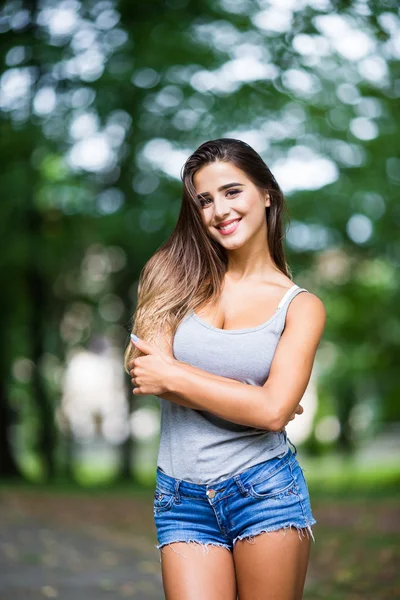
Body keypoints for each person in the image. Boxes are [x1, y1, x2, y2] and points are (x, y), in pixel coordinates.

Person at [124, 138, 326, 599]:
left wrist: (180, 376)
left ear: (266, 194)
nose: (219, 210)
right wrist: (249, 398)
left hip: (265, 490)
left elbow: (273, 413)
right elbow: (148, 373)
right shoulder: (170, 274)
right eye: (205, 200)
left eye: (232, 192)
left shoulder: (301, 307)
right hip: (181, 498)